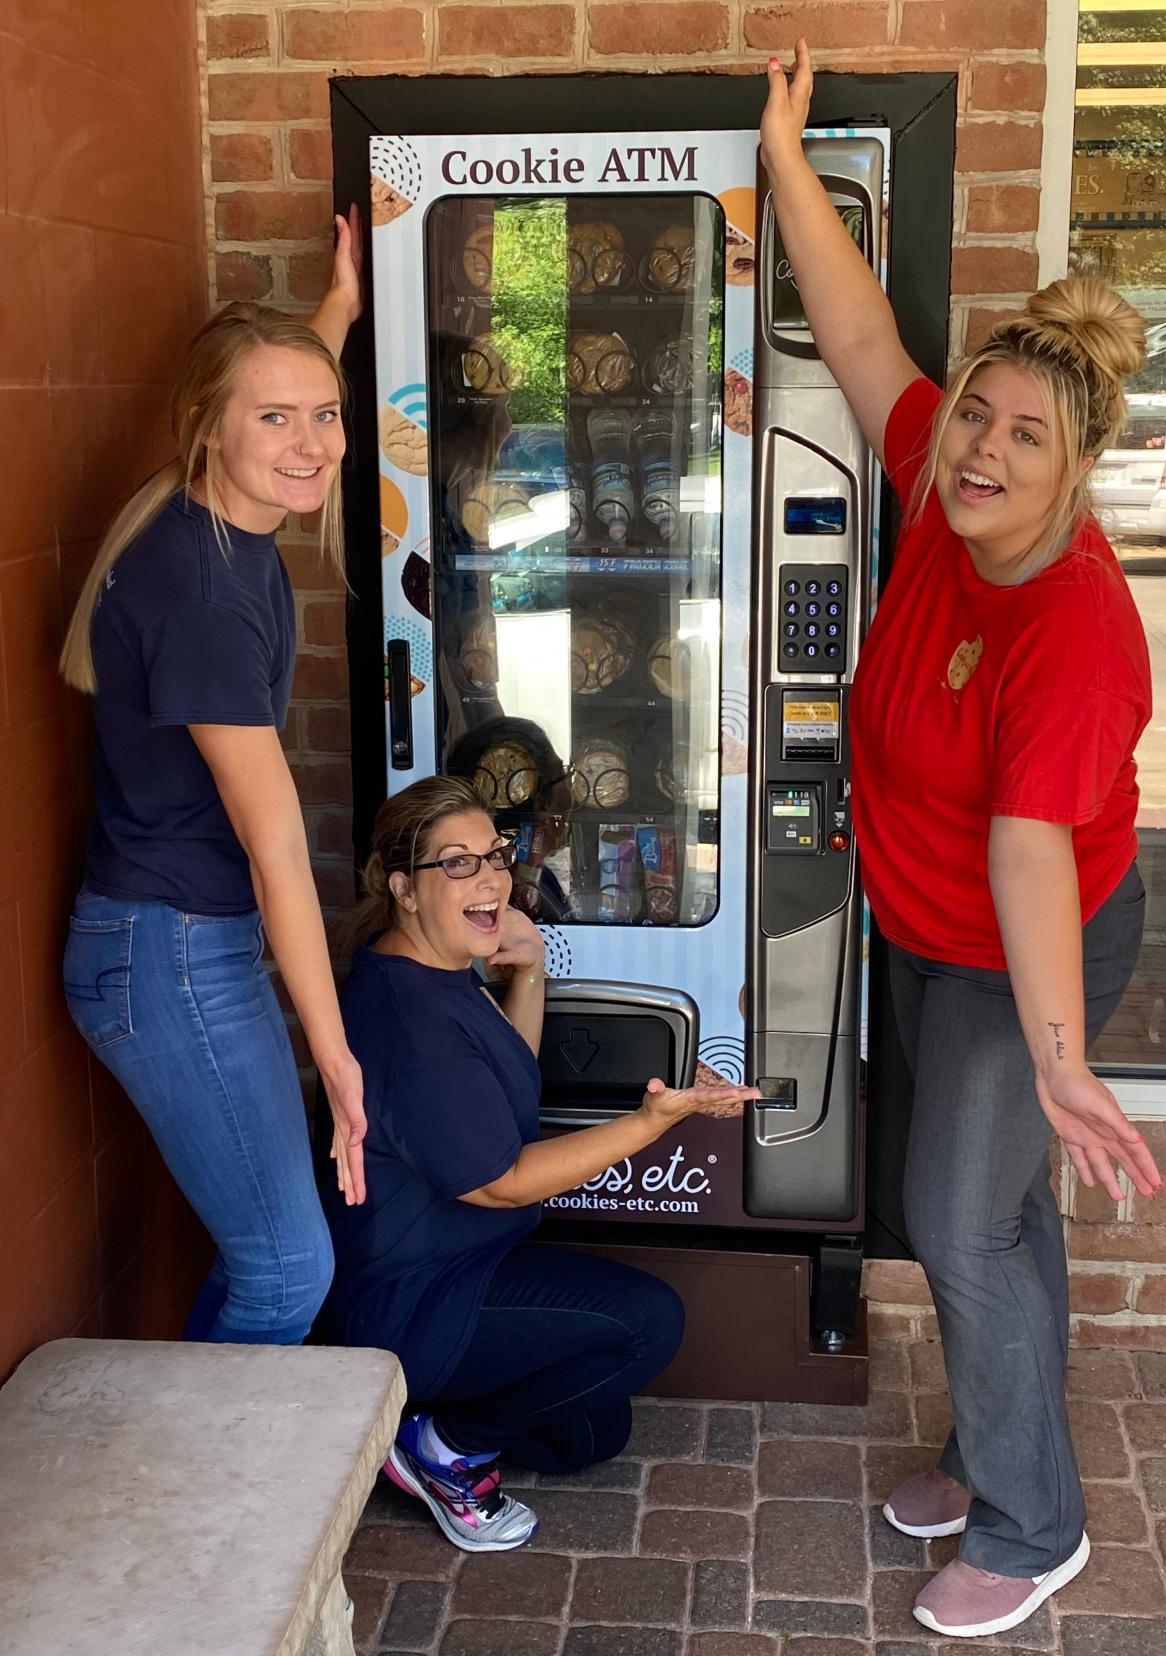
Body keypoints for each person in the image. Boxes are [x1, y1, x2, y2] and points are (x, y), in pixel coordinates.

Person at [762, 43, 1162, 1641]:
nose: (981, 451)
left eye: (1023, 441)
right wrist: (785, 157)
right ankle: (998, 1439)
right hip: (932, 927)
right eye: (977, 416)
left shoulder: (1070, 627)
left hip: (1033, 933)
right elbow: (857, 334)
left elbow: (1029, 857)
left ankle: (1030, 1517)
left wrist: (1059, 1057)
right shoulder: (937, 486)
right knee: (996, 1211)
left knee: (954, 1216)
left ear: (1079, 474)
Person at [60, 212, 368, 1344]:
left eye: (326, 415)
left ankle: (193, 1457)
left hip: (181, 938)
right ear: (205, 430)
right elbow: (277, 845)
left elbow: (285, 414)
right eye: (276, 419)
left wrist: (337, 306)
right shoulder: (199, 597)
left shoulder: (226, 517)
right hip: (169, 955)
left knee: (268, 1264)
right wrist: (337, 1063)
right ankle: (193, 1515)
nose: (313, 444)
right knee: (288, 1272)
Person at [317, 774, 758, 1552]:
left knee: (589, 1433)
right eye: (457, 864)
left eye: (495, 853)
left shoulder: (439, 970)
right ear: (403, 889)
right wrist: (653, 1122)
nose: (491, 878)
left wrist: (529, 974)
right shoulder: (409, 1018)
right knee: (649, 1324)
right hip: (414, 1305)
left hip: (469, 1268)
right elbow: (500, 1179)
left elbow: (505, 1090)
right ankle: (438, 1448)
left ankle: (431, 1428)